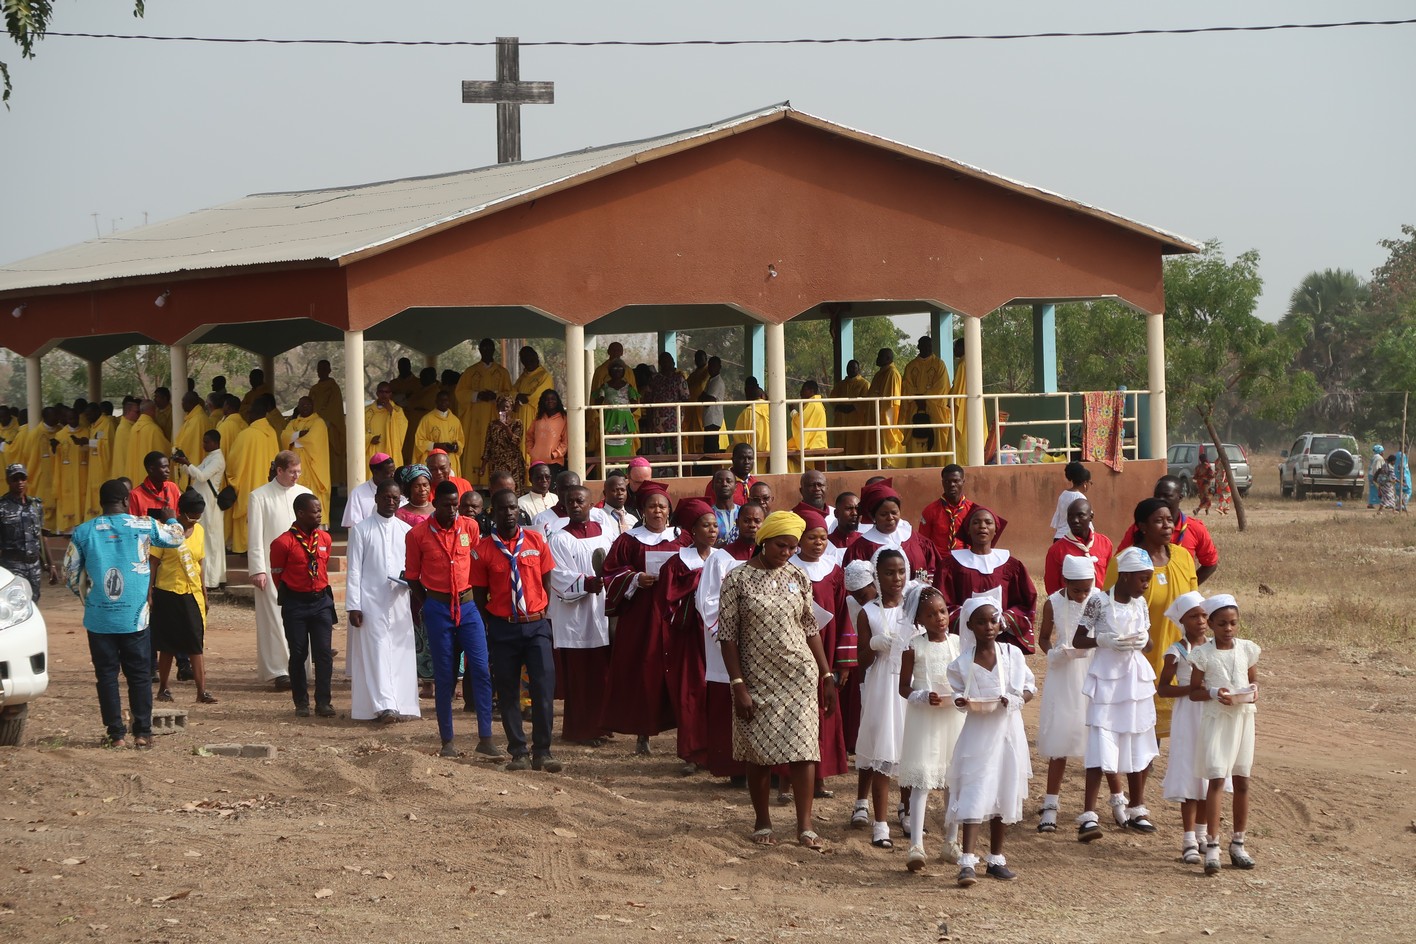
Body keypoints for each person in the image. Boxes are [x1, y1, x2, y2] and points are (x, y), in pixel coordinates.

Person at [718, 510, 837, 850]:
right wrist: (738, 684)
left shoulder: (797, 576)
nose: (787, 552)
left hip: (799, 675)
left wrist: (826, 674)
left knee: (804, 749)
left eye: (792, 547)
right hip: (755, 677)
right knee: (758, 751)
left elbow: (810, 627)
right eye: (781, 546)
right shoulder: (737, 579)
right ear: (764, 541)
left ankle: (805, 826)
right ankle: (762, 822)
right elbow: (727, 636)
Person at [64, 479, 184, 747]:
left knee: (106, 676)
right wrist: (171, 517)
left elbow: (70, 575)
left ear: (101, 502)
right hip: (135, 617)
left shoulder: (83, 532)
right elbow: (176, 538)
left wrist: (90, 598)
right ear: (127, 501)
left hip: (99, 619)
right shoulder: (144, 525)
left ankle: (115, 734)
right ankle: (142, 733)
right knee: (139, 675)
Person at [405, 481, 500, 757]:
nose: (452, 510)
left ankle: (486, 738)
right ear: (435, 504)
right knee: (444, 675)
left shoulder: (470, 527)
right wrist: (429, 603)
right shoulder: (417, 535)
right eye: (446, 505)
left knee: (480, 669)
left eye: (455, 505)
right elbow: (412, 577)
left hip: (468, 607)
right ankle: (447, 741)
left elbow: (478, 564)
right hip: (438, 608)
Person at [946, 597, 1036, 886]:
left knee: (1004, 786)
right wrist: (961, 701)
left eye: (993, 620)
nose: (988, 626)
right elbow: (958, 695)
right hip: (978, 733)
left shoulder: (1012, 655)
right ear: (970, 625)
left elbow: (1028, 688)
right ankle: (967, 861)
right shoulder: (961, 664)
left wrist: (1015, 699)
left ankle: (996, 858)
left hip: (1008, 732)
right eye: (981, 622)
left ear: (1000, 623)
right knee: (975, 789)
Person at [1073, 546, 1160, 841]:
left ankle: (1137, 809)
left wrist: (1143, 640)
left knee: (1136, 738)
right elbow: (1078, 639)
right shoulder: (1098, 601)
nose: (1145, 585)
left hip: (1134, 680)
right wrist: (1103, 640)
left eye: (1148, 580)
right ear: (1124, 576)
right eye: (1142, 579)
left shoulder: (1140, 604)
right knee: (1102, 739)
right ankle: (1089, 815)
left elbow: (1149, 643)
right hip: (1107, 680)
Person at [471, 487, 560, 771]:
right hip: (503, 629)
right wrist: (494, 623)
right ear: (493, 512)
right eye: (502, 509)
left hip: (536, 626)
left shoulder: (536, 541)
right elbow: (479, 595)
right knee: (508, 692)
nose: (509, 513)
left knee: (543, 689)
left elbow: (546, 581)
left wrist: (539, 611)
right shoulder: (483, 550)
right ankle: (518, 752)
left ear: (518, 511)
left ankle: (543, 752)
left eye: (512, 508)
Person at [602, 481, 683, 753]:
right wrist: (635, 578)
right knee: (644, 671)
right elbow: (610, 572)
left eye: (662, 506)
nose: (657, 511)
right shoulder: (628, 540)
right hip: (641, 615)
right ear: (643, 511)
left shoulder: (681, 538)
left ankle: (685, 734)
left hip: (674, 614)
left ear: (669, 510)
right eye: (652, 506)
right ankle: (642, 732)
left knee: (676, 671)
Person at [1109, 497, 1199, 739]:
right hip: (1141, 655)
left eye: (1170, 520)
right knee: (1143, 728)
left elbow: (1194, 605)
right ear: (1142, 526)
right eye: (1159, 521)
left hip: (1179, 653)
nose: (1167, 525)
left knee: (1184, 726)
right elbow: (1111, 609)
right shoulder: (1123, 562)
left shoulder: (1183, 557)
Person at [1188, 594, 1260, 875]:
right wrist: (1213, 693)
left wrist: (1253, 691)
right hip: (1217, 721)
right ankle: (1212, 845)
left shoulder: (1247, 649)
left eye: (1233, 623)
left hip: (1242, 718)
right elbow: (1194, 692)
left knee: (1242, 780)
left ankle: (1238, 843)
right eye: (1222, 624)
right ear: (1211, 624)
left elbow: (1253, 679)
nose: (1228, 629)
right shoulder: (1203, 654)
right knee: (1217, 778)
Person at [1034, 554, 1102, 834]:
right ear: (1065, 582)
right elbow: (1043, 637)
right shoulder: (1053, 602)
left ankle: (1109, 804)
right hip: (1064, 672)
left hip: (1092, 669)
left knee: (1098, 735)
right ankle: (1050, 804)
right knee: (1060, 735)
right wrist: (1054, 653)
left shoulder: (1098, 599)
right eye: (1077, 590)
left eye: (1087, 589)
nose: (1083, 595)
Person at [343, 478, 421, 723]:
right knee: (376, 652)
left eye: (395, 498)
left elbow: (413, 567)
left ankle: (402, 704)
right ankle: (383, 706)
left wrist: (410, 580)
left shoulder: (406, 530)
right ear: (376, 499)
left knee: (400, 651)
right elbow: (354, 570)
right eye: (386, 497)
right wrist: (353, 605)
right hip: (370, 602)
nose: (390, 502)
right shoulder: (361, 529)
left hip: (399, 600)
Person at [654, 498, 722, 774]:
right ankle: (693, 753)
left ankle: (719, 751)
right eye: (706, 525)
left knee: (718, 692)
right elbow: (666, 600)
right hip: (690, 636)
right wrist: (696, 589)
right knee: (692, 691)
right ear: (692, 530)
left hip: (719, 636)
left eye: (715, 525)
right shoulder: (677, 563)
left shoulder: (723, 558)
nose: (712, 530)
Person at [853, 548, 914, 848]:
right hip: (882, 686)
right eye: (889, 573)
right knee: (883, 750)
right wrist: (875, 644)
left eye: (901, 572)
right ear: (877, 576)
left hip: (909, 684)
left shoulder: (914, 607)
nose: (896, 578)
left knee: (909, 749)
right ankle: (880, 824)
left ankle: (907, 811)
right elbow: (862, 660)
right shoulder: (869, 613)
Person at [787, 509, 850, 796]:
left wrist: (842, 662)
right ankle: (786, 781)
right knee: (793, 713)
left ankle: (820, 778)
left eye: (823, 538)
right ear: (800, 540)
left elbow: (843, 612)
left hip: (826, 649)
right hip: (794, 649)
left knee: (822, 710)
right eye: (812, 538)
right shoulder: (788, 569)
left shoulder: (833, 571)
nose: (818, 543)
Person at [546, 485, 615, 745]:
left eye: (580, 501)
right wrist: (587, 583)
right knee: (581, 676)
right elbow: (557, 575)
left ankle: (602, 725)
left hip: (602, 610)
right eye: (570, 501)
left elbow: (616, 564)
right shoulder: (559, 538)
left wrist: (608, 580)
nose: (575, 505)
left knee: (601, 673)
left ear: (590, 505)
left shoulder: (605, 533)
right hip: (575, 615)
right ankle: (581, 730)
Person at [1157, 590, 1216, 866]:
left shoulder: (1215, 648)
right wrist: (1191, 689)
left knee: (1208, 772)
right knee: (1190, 772)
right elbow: (1163, 688)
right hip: (1188, 716)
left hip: (1211, 714)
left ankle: (1203, 834)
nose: (1201, 621)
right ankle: (1188, 838)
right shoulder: (1176, 652)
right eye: (1194, 616)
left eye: (1204, 615)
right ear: (1182, 620)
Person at [247, 451, 314, 691]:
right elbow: (255, 535)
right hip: (271, 568)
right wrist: (258, 569)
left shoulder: (304, 494)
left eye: (299, 472)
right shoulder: (259, 496)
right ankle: (279, 671)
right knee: (274, 619)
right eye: (292, 472)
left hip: (302, 568)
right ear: (279, 470)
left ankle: (301, 668)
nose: (296, 476)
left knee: (302, 617)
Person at [268, 494, 337, 717]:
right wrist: (296, 593)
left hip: (322, 603)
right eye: (315, 511)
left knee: (324, 654)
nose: (319, 515)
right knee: (298, 654)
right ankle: (301, 703)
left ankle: (324, 702)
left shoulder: (325, 538)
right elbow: (277, 576)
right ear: (300, 513)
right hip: (296, 605)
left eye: (320, 511)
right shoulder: (282, 543)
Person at [150, 491, 217, 704]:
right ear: (181, 512)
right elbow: (153, 562)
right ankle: (163, 688)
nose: (194, 521)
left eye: (198, 517)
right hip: (167, 592)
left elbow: (200, 564)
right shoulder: (165, 531)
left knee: (196, 643)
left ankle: (201, 691)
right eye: (191, 516)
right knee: (167, 645)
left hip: (192, 593)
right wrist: (149, 592)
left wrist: (205, 594)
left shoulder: (199, 531)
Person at [1119, 477, 1218, 585]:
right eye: (1157, 496)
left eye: (1167, 496)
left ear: (1180, 497)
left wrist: (1188, 586)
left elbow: (1210, 563)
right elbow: (1120, 560)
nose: (1160, 500)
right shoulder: (1141, 527)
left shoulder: (1195, 528)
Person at [843, 479, 939, 583]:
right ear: (873, 516)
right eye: (883, 514)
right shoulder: (861, 548)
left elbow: (933, 568)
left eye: (894, 512)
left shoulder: (914, 538)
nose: (890, 518)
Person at [225, 399, 282, 555]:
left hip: (249, 483)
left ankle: (244, 546)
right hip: (267, 484)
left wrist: (233, 479)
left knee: (248, 514)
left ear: (253, 414)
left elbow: (233, 462)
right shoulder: (271, 432)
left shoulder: (246, 434)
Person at [456, 339, 514, 489]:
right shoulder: (470, 371)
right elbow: (459, 393)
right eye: (484, 348)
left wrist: (495, 395)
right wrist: (477, 395)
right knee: (476, 447)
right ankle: (473, 483)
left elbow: (510, 394)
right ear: (480, 350)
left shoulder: (502, 372)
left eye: (489, 348)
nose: (486, 351)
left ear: (494, 350)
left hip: (495, 417)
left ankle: (497, 483)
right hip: (475, 420)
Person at [173, 429, 227, 588]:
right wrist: (184, 462)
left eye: (206, 442)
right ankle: (208, 578)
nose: (203, 444)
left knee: (211, 540)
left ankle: (212, 580)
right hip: (204, 502)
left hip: (210, 504)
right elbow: (196, 473)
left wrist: (187, 463)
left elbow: (202, 477)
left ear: (215, 443)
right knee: (205, 538)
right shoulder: (210, 457)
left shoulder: (218, 459)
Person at [1, 464, 59, 598]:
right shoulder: (2, 507)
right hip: (12, 565)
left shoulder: (35, 505)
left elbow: (41, 536)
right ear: (8, 481)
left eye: (23, 478)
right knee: (16, 601)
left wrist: (51, 565)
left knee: (34, 601)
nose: (20, 482)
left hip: (34, 566)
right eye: (15, 479)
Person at [1042, 498, 1114, 595]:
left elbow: (1110, 577)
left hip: (1101, 601)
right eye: (1070, 516)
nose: (1075, 520)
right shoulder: (1056, 550)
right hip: (1070, 602)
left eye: (1080, 515)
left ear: (1091, 517)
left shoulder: (1105, 543)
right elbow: (1052, 588)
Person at [901, 336, 952, 467]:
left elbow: (942, 386)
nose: (926, 348)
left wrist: (925, 398)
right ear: (918, 347)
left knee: (937, 438)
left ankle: (939, 468)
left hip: (935, 409)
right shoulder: (911, 366)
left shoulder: (939, 364)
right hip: (915, 408)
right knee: (915, 438)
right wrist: (918, 399)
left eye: (928, 345)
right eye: (923, 345)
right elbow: (906, 385)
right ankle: (915, 469)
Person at [285, 397, 332, 526]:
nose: (305, 407)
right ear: (298, 407)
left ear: (313, 406)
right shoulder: (293, 422)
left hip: (313, 467)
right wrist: (299, 434)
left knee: (314, 495)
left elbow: (313, 440)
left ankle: (318, 525)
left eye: (308, 405)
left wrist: (294, 440)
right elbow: (284, 436)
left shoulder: (318, 422)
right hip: (296, 466)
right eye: (302, 405)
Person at [917, 465, 975, 556]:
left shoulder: (973, 510)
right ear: (942, 483)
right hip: (939, 560)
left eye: (956, 481)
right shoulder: (930, 511)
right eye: (948, 481)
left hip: (965, 559)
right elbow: (923, 541)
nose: (952, 485)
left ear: (963, 482)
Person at [512, 346, 554, 465]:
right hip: (521, 418)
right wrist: (518, 396)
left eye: (530, 358)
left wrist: (522, 397)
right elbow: (512, 392)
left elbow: (539, 396)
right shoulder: (523, 377)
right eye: (524, 359)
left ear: (536, 357)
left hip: (535, 418)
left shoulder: (544, 376)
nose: (528, 361)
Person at [307, 359, 346, 487]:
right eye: (320, 369)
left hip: (330, 427)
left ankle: (334, 485)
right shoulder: (314, 388)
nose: (322, 371)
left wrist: (324, 421)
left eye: (324, 369)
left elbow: (335, 408)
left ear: (329, 370)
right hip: (313, 428)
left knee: (331, 457)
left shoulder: (333, 387)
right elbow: (309, 406)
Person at [591, 360, 640, 461]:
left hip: (625, 422)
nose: (617, 371)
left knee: (625, 452)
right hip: (610, 421)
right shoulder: (604, 387)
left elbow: (635, 404)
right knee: (608, 451)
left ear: (624, 371)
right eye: (614, 368)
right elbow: (597, 403)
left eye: (620, 368)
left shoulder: (628, 387)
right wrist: (608, 413)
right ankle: (610, 470)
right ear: (609, 371)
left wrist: (624, 411)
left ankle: (623, 469)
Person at [828, 359, 872, 470]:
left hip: (856, 420)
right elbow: (832, 398)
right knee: (840, 443)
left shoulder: (864, 384)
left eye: (854, 368)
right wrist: (840, 406)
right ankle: (841, 466)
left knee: (855, 444)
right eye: (849, 367)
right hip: (841, 420)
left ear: (858, 369)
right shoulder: (840, 384)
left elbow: (865, 401)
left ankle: (855, 466)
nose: (851, 370)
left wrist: (852, 407)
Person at [414, 389, 465, 475]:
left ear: (449, 402)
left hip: (450, 460)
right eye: (440, 400)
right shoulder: (427, 419)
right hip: (433, 459)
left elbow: (461, 441)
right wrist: (436, 445)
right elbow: (419, 441)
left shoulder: (455, 421)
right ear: (436, 401)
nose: (443, 403)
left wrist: (455, 447)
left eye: (446, 400)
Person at [868, 348, 905, 469]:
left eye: (880, 356)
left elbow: (892, 401)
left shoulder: (892, 373)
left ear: (888, 358)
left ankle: (887, 464)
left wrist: (884, 416)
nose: (877, 359)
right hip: (876, 414)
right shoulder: (879, 374)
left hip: (886, 415)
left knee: (886, 438)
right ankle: (877, 463)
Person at [122, 400, 171, 488]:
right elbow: (165, 451)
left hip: (136, 473)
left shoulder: (134, 428)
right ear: (152, 410)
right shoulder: (153, 429)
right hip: (148, 474)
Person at [481, 394, 526, 491]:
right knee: (497, 489)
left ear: (511, 408)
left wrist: (506, 428)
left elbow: (517, 441)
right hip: (496, 463)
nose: (504, 409)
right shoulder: (492, 425)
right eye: (502, 407)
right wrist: (483, 466)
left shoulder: (517, 423)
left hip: (513, 463)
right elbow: (488, 445)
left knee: (513, 490)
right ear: (498, 408)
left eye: (507, 407)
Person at [343, 453, 397, 529]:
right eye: (389, 472)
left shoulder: (397, 490)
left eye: (394, 471)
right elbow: (355, 524)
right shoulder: (358, 493)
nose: (393, 475)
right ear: (376, 472)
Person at [171, 391, 210, 492]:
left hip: (196, 462)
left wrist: (175, 449)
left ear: (190, 403)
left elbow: (185, 445)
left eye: (183, 402)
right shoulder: (196, 418)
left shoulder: (197, 420)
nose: (182, 405)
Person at [365, 382, 409, 468]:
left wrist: (392, 412)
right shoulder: (367, 411)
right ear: (377, 393)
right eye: (381, 392)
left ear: (390, 394)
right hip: (372, 449)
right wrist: (369, 438)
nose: (384, 394)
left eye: (387, 392)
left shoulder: (398, 411)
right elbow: (357, 432)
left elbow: (402, 429)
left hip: (389, 450)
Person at [526, 389, 568, 476]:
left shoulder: (563, 418)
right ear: (543, 402)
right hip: (536, 461)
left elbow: (566, 441)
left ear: (557, 401)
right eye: (547, 399)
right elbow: (529, 436)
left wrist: (555, 454)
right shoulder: (538, 418)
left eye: (553, 399)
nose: (550, 401)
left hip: (554, 462)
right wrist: (531, 451)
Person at [787, 380, 828, 470]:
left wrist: (793, 411)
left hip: (814, 442)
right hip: (817, 441)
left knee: (785, 449)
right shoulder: (816, 403)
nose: (801, 393)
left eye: (804, 390)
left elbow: (801, 421)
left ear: (811, 391)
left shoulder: (812, 404)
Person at [1049, 461, 1092, 539]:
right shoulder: (1081, 498)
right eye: (1090, 483)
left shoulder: (1063, 495)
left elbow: (1058, 519)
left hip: (1059, 537)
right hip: (1071, 539)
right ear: (1085, 483)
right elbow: (1087, 522)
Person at [699, 355, 727, 454]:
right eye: (710, 366)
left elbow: (709, 401)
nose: (711, 368)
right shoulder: (711, 380)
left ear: (719, 367)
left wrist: (704, 397)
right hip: (708, 418)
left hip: (713, 418)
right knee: (708, 446)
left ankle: (714, 463)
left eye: (714, 366)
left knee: (712, 446)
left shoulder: (717, 382)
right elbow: (700, 396)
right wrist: (704, 397)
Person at [597, 471, 638, 535]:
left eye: (623, 490)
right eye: (615, 490)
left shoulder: (633, 520)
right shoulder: (597, 517)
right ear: (605, 493)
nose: (620, 493)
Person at [828, 491, 861, 564]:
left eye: (857, 509)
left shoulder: (864, 541)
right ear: (836, 513)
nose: (854, 513)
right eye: (848, 508)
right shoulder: (826, 543)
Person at [708, 469, 739, 547]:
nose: (724, 484)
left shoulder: (743, 512)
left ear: (736, 487)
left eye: (729, 481)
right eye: (719, 481)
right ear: (712, 487)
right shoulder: (708, 514)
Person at [1193, 450, 1216, 516]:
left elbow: (1195, 477)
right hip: (1205, 484)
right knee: (1207, 498)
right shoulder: (1207, 466)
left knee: (1203, 498)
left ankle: (1207, 511)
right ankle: (1197, 509)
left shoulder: (1197, 467)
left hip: (1199, 484)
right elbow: (1211, 475)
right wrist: (1215, 474)